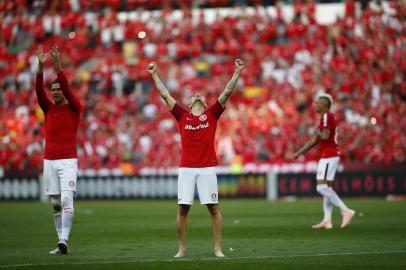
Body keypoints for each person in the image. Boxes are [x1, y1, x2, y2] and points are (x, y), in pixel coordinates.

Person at [147, 59, 244, 257]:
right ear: (190, 104)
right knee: (182, 210)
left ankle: (217, 248)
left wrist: (237, 72)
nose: (197, 95)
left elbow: (226, 93)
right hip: (187, 168)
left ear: (205, 103)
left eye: (200, 95)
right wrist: (155, 74)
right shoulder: (183, 116)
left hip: (207, 168)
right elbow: (165, 95)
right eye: (194, 95)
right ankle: (181, 249)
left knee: (214, 209)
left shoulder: (212, 115)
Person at [35, 44, 82, 254]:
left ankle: (64, 240)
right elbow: (38, 91)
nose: (54, 93)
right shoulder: (48, 108)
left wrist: (55, 64)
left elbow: (67, 86)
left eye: (57, 89)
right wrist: (40, 66)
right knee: (55, 203)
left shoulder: (74, 107)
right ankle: (60, 242)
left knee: (65, 199)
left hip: (68, 161)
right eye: (52, 90)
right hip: (49, 160)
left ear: (64, 91)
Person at [291, 94, 355, 229]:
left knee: (321, 187)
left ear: (324, 106)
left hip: (328, 155)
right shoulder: (325, 118)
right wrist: (299, 153)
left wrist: (318, 132)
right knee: (328, 188)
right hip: (331, 155)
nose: (314, 104)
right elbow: (315, 140)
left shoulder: (327, 116)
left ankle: (345, 210)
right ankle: (327, 220)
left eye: (317, 103)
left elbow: (324, 137)